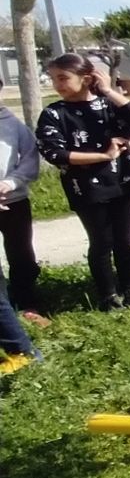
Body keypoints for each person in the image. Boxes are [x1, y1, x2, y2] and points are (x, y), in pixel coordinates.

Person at [36, 53, 130, 310]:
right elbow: (54, 153)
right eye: (54, 79)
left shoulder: (107, 105)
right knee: (101, 242)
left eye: (63, 78)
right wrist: (103, 156)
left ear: (86, 79)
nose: (57, 84)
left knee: (124, 240)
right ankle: (108, 296)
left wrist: (108, 90)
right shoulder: (54, 113)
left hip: (122, 180)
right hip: (86, 187)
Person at [0, 100, 44, 321]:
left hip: (14, 200)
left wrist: (11, 182)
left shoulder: (13, 124)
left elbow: (30, 159)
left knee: (21, 255)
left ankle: (27, 303)